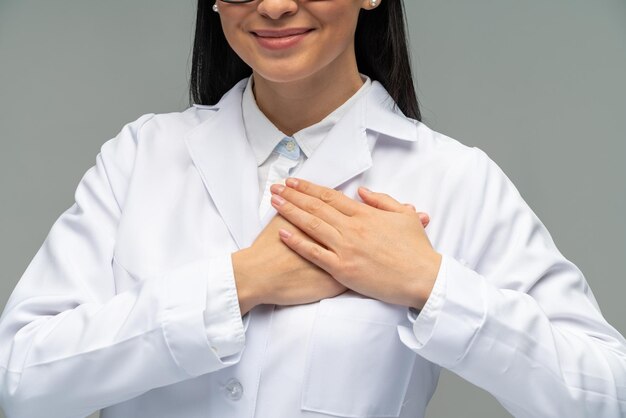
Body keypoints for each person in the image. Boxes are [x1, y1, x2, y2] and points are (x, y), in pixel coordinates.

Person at [0, 0, 625, 417]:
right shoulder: (141, 156)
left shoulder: (452, 178)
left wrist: (431, 285)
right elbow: (20, 381)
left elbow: (604, 391)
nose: (273, 5)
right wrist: (237, 285)